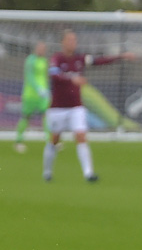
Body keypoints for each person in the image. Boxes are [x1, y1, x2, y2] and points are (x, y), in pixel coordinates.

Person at [44, 29, 134, 182]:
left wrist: (121, 56)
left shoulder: (80, 58)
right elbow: (54, 74)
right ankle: (47, 172)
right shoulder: (57, 58)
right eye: (69, 40)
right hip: (58, 108)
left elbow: (100, 61)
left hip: (76, 107)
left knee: (81, 135)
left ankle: (88, 173)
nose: (73, 43)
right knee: (54, 139)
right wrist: (71, 79)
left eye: (74, 40)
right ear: (63, 42)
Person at [14, 41, 51, 153]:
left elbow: (45, 77)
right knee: (26, 116)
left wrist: (47, 90)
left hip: (43, 95)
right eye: (40, 48)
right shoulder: (30, 60)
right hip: (30, 94)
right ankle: (19, 141)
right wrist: (38, 88)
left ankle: (50, 141)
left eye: (44, 48)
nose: (42, 50)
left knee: (46, 115)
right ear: (36, 48)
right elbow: (29, 76)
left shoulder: (45, 61)